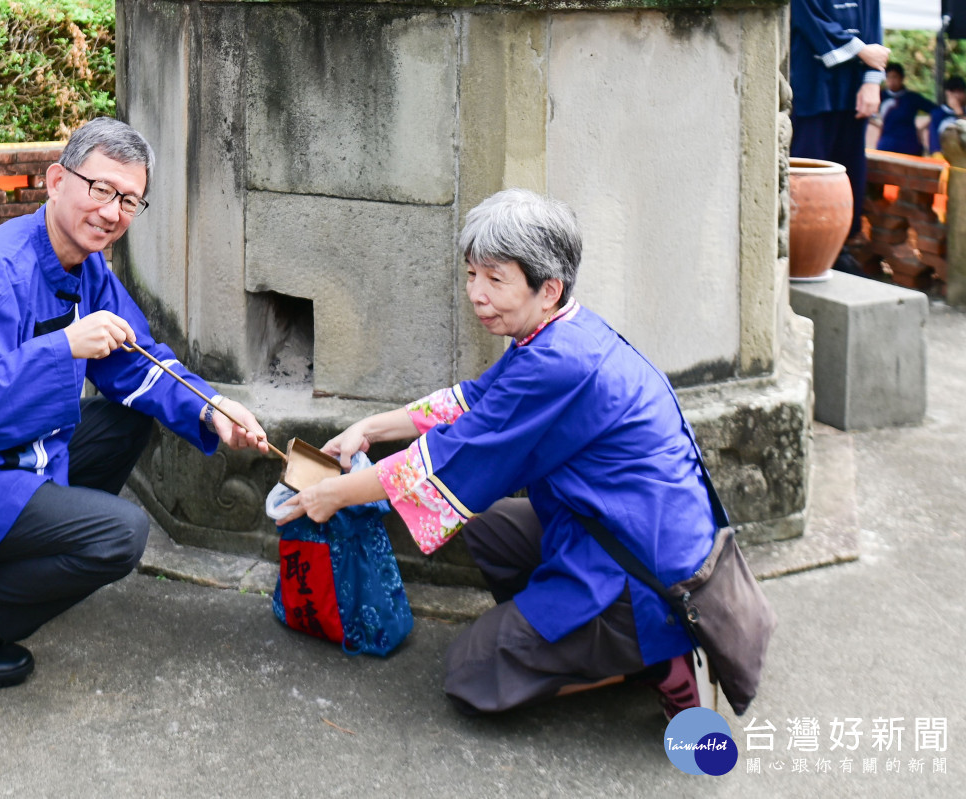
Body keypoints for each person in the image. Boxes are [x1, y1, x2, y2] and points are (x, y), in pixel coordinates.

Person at [0, 118, 271, 689]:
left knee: (126, 419)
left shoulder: (85, 265)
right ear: (56, 180)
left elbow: (137, 359)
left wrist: (213, 406)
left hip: (9, 458)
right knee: (120, 535)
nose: (113, 212)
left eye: (130, 200)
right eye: (102, 190)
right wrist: (62, 346)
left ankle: (49, 557)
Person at [277, 189, 723, 718]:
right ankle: (569, 634)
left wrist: (335, 495)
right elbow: (473, 401)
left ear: (548, 288)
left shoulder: (557, 362)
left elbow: (445, 460)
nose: (476, 294)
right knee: (488, 528)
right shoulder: (559, 331)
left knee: (472, 675)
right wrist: (369, 429)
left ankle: (647, 658)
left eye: (495, 279)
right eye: (471, 275)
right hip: (615, 527)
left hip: (646, 572)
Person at [790, 0, 889, 273]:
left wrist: (872, 83)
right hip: (813, 85)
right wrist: (861, 50)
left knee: (851, 167)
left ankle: (840, 246)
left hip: (854, 88)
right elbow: (805, 18)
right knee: (808, 168)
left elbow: (874, 35)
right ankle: (804, 253)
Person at [874, 63, 936, 156]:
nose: (891, 80)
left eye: (895, 77)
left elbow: (936, 111)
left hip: (909, 143)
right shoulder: (880, 96)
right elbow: (866, 112)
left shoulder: (912, 98)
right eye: (888, 77)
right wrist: (878, 123)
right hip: (886, 143)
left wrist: (922, 127)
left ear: (901, 78)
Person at [928, 76, 966, 157]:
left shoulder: (963, 112)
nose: (958, 96)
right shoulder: (938, 113)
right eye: (954, 92)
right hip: (945, 158)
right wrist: (937, 154)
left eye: (961, 92)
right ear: (948, 93)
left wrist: (958, 111)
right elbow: (933, 140)